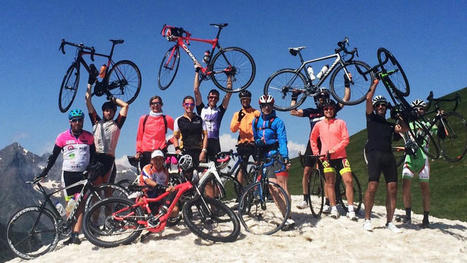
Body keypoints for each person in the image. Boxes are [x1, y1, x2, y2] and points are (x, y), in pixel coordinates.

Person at [291, 79, 350, 210]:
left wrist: (346, 83)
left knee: (325, 174)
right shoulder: (311, 111)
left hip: (326, 144)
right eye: (319, 98)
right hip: (312, 143)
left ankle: (328, 201)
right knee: (307, 171)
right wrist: (294, 96)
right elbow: (293, 112)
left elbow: (345, 99)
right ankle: (305, 199)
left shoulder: (330, 110)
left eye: (323, 98)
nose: (321, 101)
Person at [38, 109, 95, 245]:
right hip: (68, 175)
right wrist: (45, 172)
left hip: (83, 174)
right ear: (70, 122)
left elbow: (93, 156)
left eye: (79, 120)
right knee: (70, 205)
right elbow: (53, 157)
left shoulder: (89, 137)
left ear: (82, 121)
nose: (77, 123)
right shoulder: (62, 137)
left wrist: (91, 169)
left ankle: (76, 234)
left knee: (80, 204)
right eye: (74, 120)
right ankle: (70, 232)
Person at [363, 79, 408, 232]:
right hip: (374, 154)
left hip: (388, 155)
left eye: (384, 105)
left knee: (393, 188)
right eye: (379, 105)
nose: (381, 107)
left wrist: (400, 115)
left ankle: (390, 222)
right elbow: (368, 99)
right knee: (373, 186)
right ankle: (367, 219)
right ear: (375, 108)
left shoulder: (390, 124)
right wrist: (375, 83)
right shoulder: (371, 118)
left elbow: (404, 129)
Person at [310, 98, 356, 220]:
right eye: (326, 109)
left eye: (331, 108)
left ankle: (351, 209)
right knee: (329, 183)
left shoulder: (341, 122)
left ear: (334, 110)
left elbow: (346, 139)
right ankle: (333, 208)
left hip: (341, 157)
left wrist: (334, 150)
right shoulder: (319, 125)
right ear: (323, 110)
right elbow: (313, 139)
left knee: (349, 181)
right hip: (326, 158)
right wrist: (317, 153)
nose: (329, 110)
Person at [252, 94, 294, 229]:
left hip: (278, 156)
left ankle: (289, 216)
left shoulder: (278, 122)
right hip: (266, 157)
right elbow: (255, 138)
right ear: (260, 107)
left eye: (269, 105)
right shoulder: (256, 121)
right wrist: (259, 143)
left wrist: (285, 157)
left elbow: (282, 140)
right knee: (271, 187)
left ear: (272, 106)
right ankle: (284, 216)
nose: (266, 108)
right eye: (264, 105)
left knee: (283, 187)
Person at [86, 68, 128, 184]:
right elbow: (88, 101)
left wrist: (112, 98)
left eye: (111, 111)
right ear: (103, 111)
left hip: (109, 160)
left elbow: (125, 106)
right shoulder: (96, 121)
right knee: (97, 190)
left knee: (108, 190)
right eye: (106, 110)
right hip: (96, 158)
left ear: (114, 113)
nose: (109, 112)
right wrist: (89, 83)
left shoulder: (117, 124)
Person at [401, 99, 435, 227]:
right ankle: (408, 215)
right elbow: (399, 128)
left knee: (425, 189)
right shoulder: (409, 123)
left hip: (423, 159)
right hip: (410, 158)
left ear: (424, 110)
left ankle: (426, 218)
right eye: (416, 109)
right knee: (405, 186)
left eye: (421, 108)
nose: (418, 111)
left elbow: (441, 134)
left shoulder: (429, 123)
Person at [194, 63, 232, 160]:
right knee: (201, 168)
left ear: (218, 99)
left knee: (215, 169)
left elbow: (229, 93)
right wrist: (197, 72)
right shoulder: (202, 108)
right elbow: (196, 90)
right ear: (208, 98)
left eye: (215, 97)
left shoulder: (219, 110)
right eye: (211, 97)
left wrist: (229, 76)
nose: (213, 99)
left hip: (215, 142)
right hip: (202, 141)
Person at [135, 95, 175, 170]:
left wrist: (170, 141)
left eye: (158, 103)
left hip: (160, 151)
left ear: (161, 104)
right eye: (153, 103)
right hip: (145, 152)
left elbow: (178, 132)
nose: (155, 105)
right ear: (150, 105)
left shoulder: (166, 119)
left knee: (160, 177)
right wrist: (138, 151)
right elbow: (139, 136)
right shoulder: (144, 118)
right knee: (146, 177)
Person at [139, 150, 177, 228]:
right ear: (151, 160)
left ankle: (158, 217)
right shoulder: (147, 168)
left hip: (158, 197)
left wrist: (168, 189)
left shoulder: (165, 171)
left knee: (175, 210)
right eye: (155, 159)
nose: (158, 161)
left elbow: (165, 187)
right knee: (139, 205)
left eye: (160, 159)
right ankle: (139, 220)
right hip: (146, 195)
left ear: (163, 160)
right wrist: (160, 186)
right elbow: (148, 181)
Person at [230, 90, 260, 187]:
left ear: (250, 100)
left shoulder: (256, 113)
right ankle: (240, 192)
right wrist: (239, 118)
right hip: (243, 143)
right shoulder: (237, 114)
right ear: (240, 101)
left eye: (247, 99)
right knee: (242, 168)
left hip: (255, 143)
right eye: (243, 100)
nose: (245, 101)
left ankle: (260, 191)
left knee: (259, 166)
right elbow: (233, 129)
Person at [173, 95, 208, 171]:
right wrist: (177, 149)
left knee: (202, 177)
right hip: (185, 152)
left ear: (194, 105)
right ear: (183, 105)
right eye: (187, 104)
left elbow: (205, 135)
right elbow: (175, 137)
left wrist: (204, 151)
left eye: (192, 104)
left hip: (199, 152)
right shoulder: (178, 120)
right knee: (187, 178)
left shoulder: (200, 119)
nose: (189, 106)